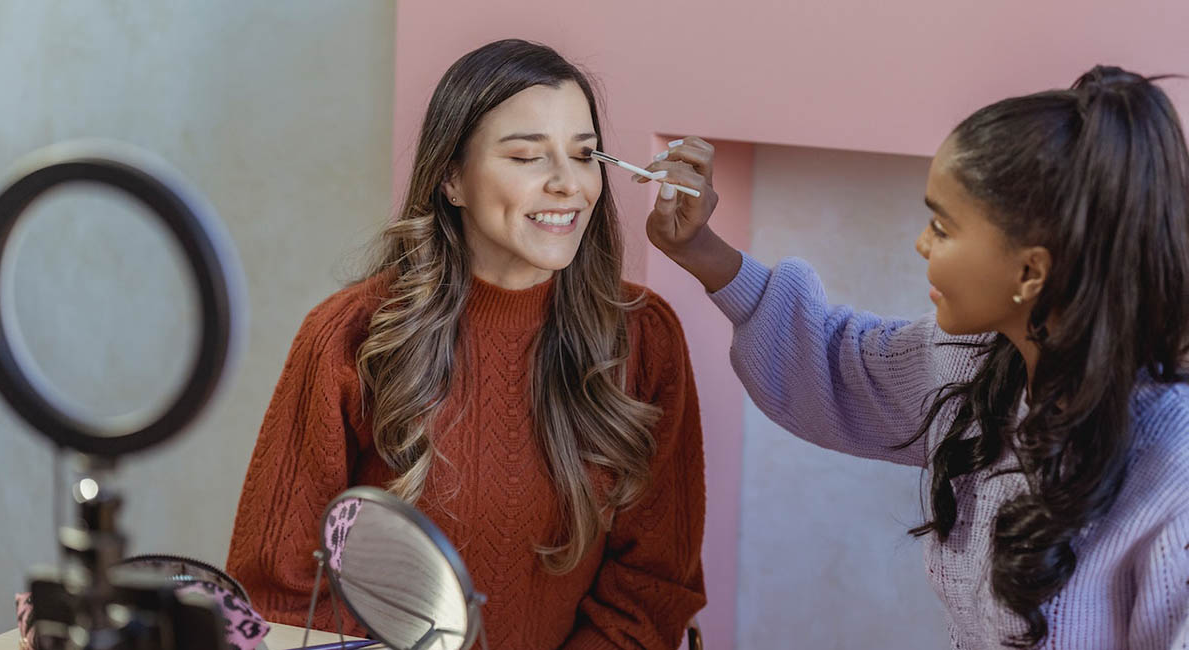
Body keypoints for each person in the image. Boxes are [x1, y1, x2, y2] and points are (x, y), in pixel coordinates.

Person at [641, 66, 1189, 648]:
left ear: (1030, 271)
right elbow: (837, 361)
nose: (922, 244)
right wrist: (698, 247)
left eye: (942, 227)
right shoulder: (981, 362)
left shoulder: (1173, 469)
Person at [226, 39, 706, 649]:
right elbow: (279, 592)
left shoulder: (646, 338)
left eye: (584, 156)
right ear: (452, 178)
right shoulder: (348, 337)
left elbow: (651, 591)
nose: (568, 185)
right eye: (529, 157)